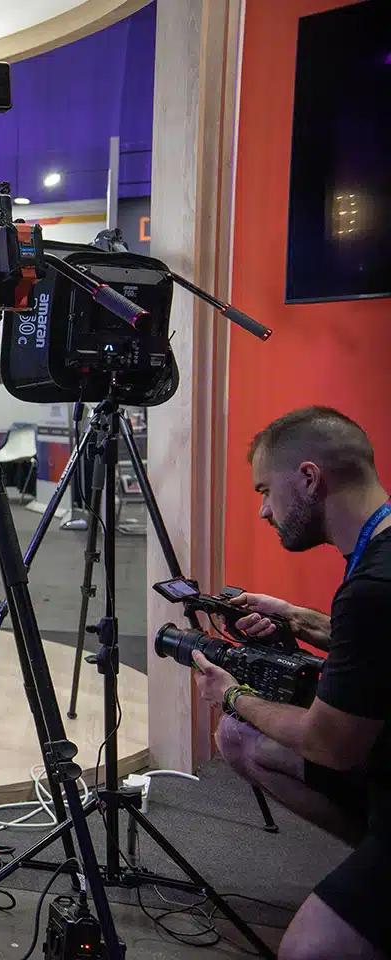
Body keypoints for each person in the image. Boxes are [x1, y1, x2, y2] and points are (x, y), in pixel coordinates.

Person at [192, 406, 389, 959]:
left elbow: (330, 745)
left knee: (306, 951)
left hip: (371, 759)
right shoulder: (380, 551)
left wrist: (230, 694)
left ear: (307, 478)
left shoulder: (373, 587)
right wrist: (294, 617)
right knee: (240, 741)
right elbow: (373, 641)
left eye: (264, 490)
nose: (263, 510)